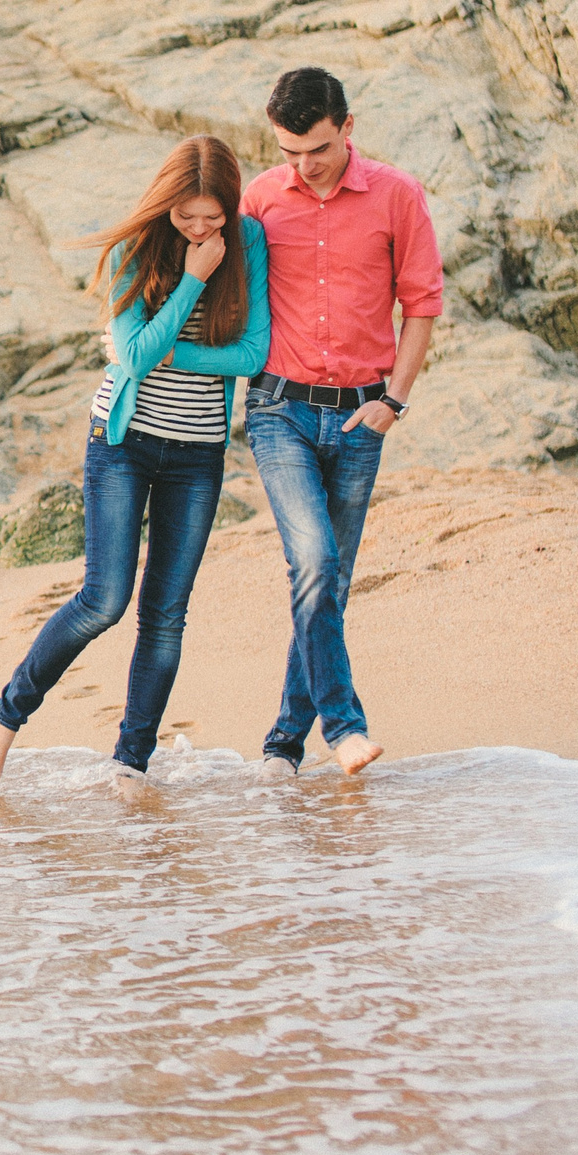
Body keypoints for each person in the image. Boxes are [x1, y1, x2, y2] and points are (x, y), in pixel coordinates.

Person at [0, 136, 270, 803]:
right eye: (186, 216)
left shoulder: (247, 243)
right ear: (165, 206)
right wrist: (191, 280)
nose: (199, 228)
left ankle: (131, 762)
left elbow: (252, 354)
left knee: (166, 615)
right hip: (122, 442)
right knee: (104, 599)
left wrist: (163, 353)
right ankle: (4, 717)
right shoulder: (142, 248)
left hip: (197, 455)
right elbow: (131, 359)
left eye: (210, 216)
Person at [242, 66, 443, 781]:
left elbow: (421, 304)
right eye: (290, 152)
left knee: (328, 581)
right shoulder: (261, 199)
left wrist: (394, 401)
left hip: (362, 416)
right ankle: (345, 727)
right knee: (316, 562)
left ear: (347, 127)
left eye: (317, 150)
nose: (303, 166)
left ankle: (283, 743)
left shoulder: (398, 195)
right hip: (277, 411)